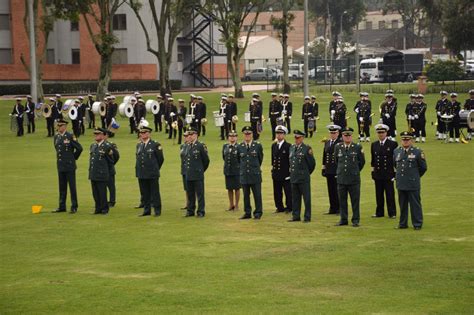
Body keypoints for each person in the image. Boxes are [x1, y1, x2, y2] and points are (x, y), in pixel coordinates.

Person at [394, 131, 427, 230]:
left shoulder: (417, 152)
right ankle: (403, 223)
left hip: (412, 183)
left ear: (411, 140)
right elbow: (395, 165)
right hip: (401, 182)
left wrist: (415, 176)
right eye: (403, 139)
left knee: (415, 205)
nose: (405, 141)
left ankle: (417, 224)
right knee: (402, 205)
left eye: (407, 139)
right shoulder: (397, 151)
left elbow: (423, 167)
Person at [334, 127, 365, 227]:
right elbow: (336, 161)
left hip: (353, 179)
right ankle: (343, 219)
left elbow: (362, 162)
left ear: (352, 136)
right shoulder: (338, 147)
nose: (347, 137)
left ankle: (355, 220)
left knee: (355, 201)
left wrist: (354, 171)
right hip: (341, 178)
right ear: (342, 136)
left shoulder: (357, 147)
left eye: (349, 135)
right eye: (345, 135)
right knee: (342, 201)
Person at [52, 120, 83, 213]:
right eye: (58, 126)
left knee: (72, 187)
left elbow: (79, 148)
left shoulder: (70, 136)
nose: (59, 127)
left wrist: (73, 157)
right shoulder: (56, 136)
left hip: (69, 165)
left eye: (61, 126)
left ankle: (74, 206)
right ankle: (62, 206)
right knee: (62, 187)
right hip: (61, 165)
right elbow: (57, 149)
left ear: (65, 126)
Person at [136, 126, 164, 217]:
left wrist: (155, 168)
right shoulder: (139, 145)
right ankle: (146, 210)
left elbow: (160, 159)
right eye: (141, 133)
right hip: (142, 173)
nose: (143, 134)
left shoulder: (155, 144)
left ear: (149, 133)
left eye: (145, 132)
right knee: (145, 193)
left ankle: (157, 210)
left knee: (155, 192)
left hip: (152, 173)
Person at [371, 124, 398, 218]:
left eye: (382, 132)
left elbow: (395, 160)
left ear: (386, 133)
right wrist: (373, 173)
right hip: (378, 173)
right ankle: (379, 212)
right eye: (379, 132)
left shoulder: (393, 144)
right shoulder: (374, 144)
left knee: (390, 194)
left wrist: (395, 173)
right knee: (378, 194)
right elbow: (373, 160)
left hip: (388, 173)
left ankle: (392, 213)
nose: (381, 134)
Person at [288, 130, 316, 223]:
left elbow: (312, 164)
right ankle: (296, 216)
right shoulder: (292, 147)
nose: (296, 139)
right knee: (295, 198)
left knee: (306, 198)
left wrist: (306, 173)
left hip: (303, 178)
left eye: (298, 137)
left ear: (302, 138)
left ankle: (307, 217)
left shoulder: (306, 148)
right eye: (295, 137)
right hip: (294, 177)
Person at [238, 126, 264, 220]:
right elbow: (238, 160)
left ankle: (258, 212)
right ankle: (247, 212)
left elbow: (260, 159)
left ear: (252, 134)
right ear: (243, 135)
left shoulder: (257, 146)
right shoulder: (240, 146)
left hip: (255, 175)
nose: (247, 136)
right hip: (244, 175)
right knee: (246, 195)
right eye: (246, 134)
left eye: (249, 134)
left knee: (257, 195)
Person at [184, 127, 209, 217]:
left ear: (196, 135)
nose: (190, 136)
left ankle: (201, 211)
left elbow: (206, 160)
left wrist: (201, 170)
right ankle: (190, 210)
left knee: (200, 194)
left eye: (192, 134)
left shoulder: (200, 146)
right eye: (189, 134)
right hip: (189, 173)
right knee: (190, 193)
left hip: (197, 174)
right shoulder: (187, 146)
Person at [89, 128, 114, 215]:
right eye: (95, 134)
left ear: (103, 135)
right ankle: (98, 208)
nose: (96, 136)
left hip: (102, 173)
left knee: (102, 192)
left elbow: (111, 161)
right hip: (93, 173)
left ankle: (104, 209)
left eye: (98, 134)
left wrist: (106, 171)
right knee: (95, 193)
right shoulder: (93, 146)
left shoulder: (107, 147)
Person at [271, 125, 292, 214]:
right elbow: (273, 158)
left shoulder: (288, 146)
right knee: (277, 191)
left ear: (284, 135)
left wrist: (290, 172)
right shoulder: (274, 146)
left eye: (281, 133)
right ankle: (279, 207)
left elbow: (290, 160)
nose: (279, 135)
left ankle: (289, 207)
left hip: (285, 172)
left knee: (288, 191)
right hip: (276, 172)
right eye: (277, 133)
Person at [321, 124, 341, 215]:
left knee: (337, 190)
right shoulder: (327, 142)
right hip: (329, 169)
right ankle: (332, 208)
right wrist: (323, 168)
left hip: (336, 169)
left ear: (338, 133)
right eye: (331, 133)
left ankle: (339, 208)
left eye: (334, 133)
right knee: (330, 190)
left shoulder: (340, 143)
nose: (332, 134)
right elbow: (324, 156)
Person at [222, 130, 241, 211]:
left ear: (236, 137)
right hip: (228, 170)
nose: (232, 138)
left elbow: (241, 159)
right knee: (229, 188)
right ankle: (231, 204)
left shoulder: (239, 147)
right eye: (230, 136)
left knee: (237, 188)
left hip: (236, 170)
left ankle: (236, 205)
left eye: (234, 136)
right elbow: (224, 157)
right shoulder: (225, 146)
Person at [105, 130, 120, 208]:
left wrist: (112, 164)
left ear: (107, 136)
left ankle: (112, 200)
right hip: (101, 169)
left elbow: (117, 156)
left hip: (109, 169)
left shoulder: (111, 145)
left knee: (111, 186)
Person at [180, 130, 190, 210]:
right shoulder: (182, 146)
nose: (185, 138)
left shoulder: (192, 145)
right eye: (184, 136)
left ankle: (192, 203)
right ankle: (187, 203)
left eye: (187, 136)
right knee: (186, 188)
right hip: (184, 169)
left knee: (192, 188)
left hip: (191, 170)